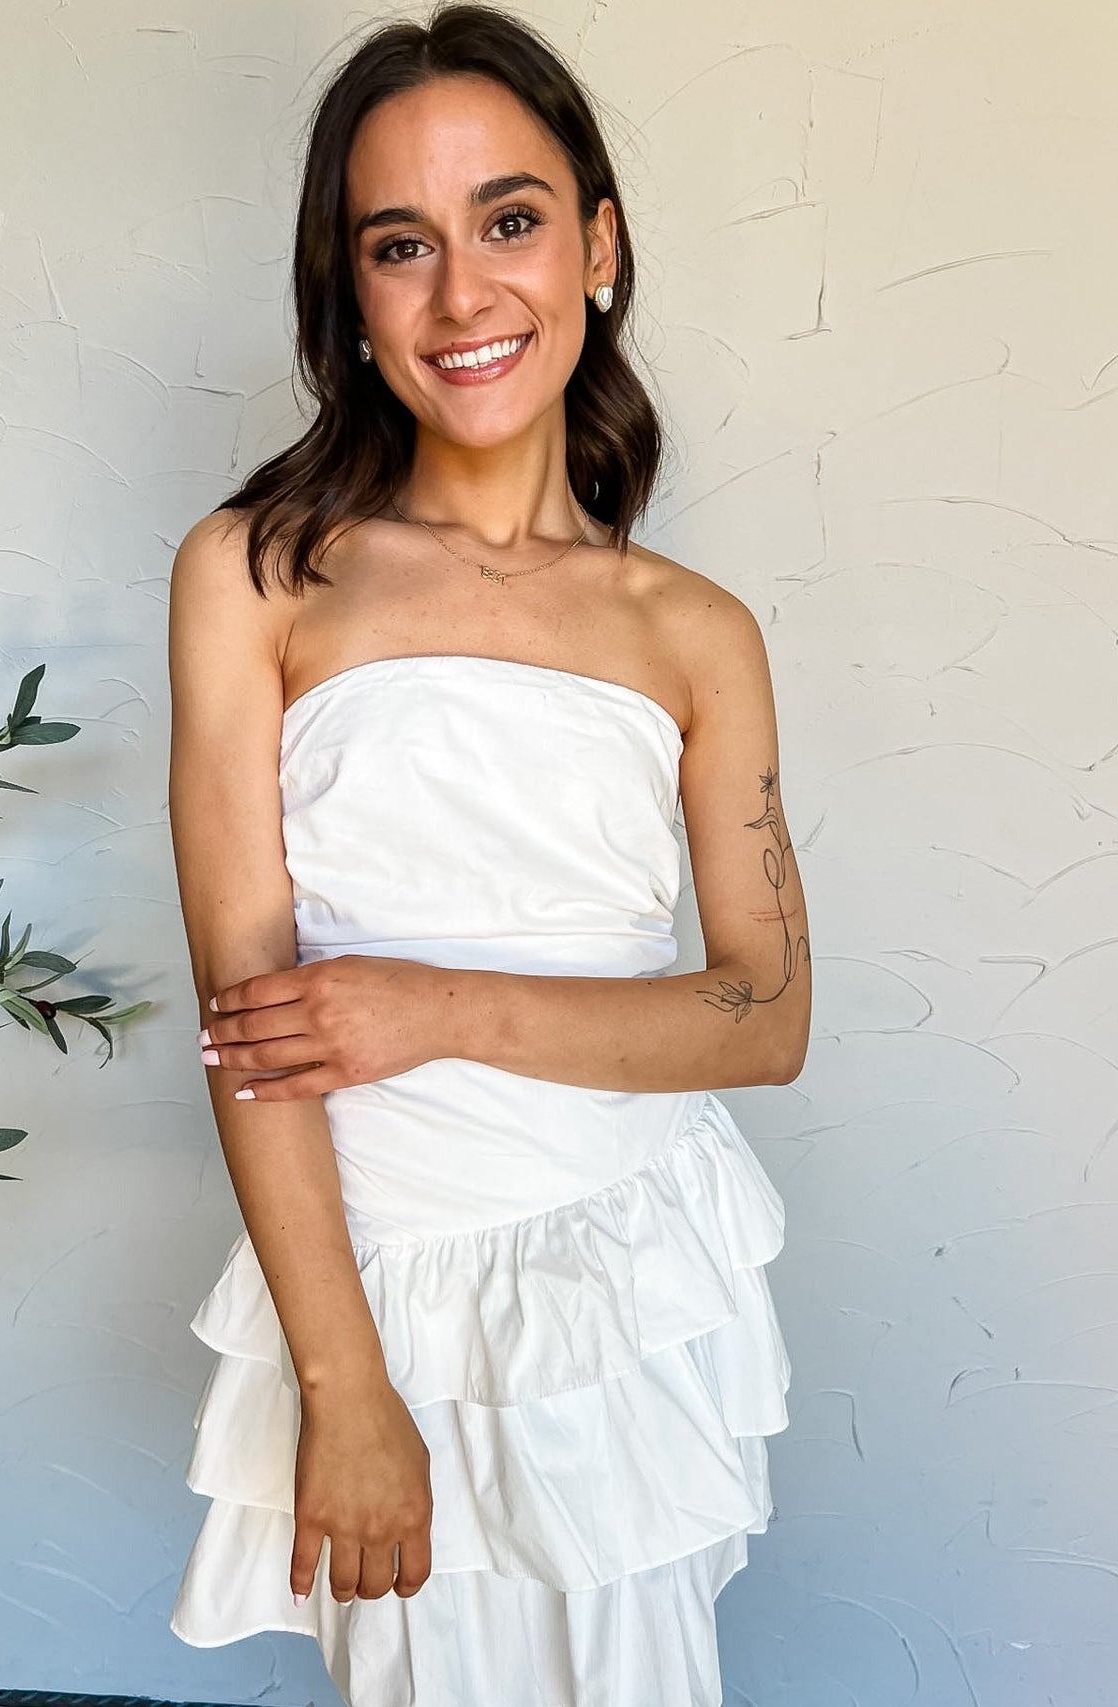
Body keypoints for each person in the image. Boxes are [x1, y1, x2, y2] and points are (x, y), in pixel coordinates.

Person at [164, 5, 810, 1703]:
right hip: (377, 1289)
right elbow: (249, 1020)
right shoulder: (255, 574)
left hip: (618, 1277)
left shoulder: (698, 632)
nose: (463, 296)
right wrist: (344, 1387)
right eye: (402, 245)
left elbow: (763, 1018)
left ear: (597, 245)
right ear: (348, 292)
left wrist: (430, 1008)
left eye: (510, 221)